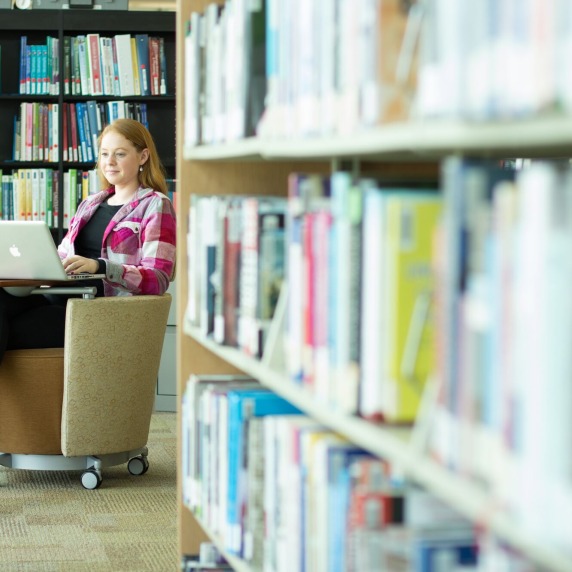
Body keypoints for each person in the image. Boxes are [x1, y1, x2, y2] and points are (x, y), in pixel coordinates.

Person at [0, 118, 176, 365]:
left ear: (143, 156)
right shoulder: (90, 204)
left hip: (98, 311)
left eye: (120, 154)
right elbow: (62, 255)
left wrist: (101, 266)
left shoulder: (156, 204)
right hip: (60, 298)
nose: (109, 162)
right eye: (104, 154)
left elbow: (158, 278)